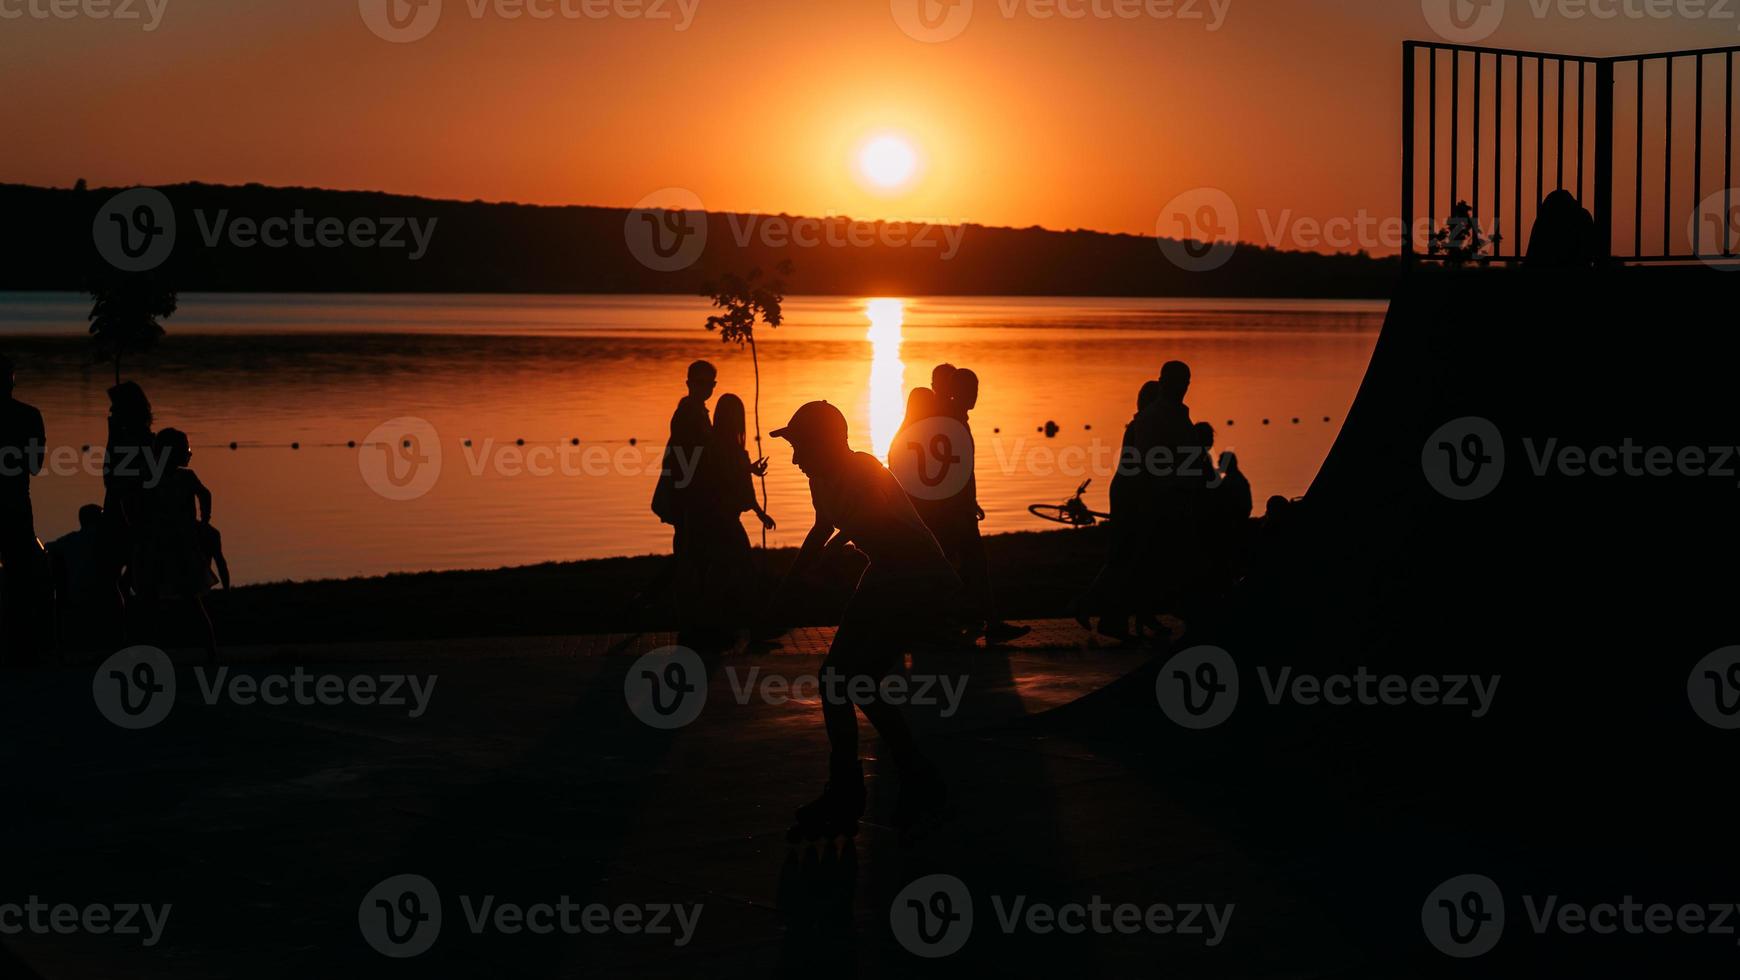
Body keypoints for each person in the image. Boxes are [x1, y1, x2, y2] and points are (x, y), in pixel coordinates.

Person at [767, 401, 960, 841]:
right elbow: (822, 528)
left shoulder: (862, 470)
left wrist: (831, 561)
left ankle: (856, 789)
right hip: (888, 574)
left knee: (842, 679)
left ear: (826, 443)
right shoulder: (821, 479)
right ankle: (910, 778)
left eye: (800, 447)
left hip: (919, 578)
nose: (795, 459)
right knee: (851, 682)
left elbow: (870, 524)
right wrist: (789, 585)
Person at [932, 369, 1029, 644]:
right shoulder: (951, 420)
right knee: (967, 566)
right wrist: (961, 502)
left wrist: (971, 500)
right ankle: (974, 622)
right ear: (957, 392)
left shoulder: (956, 418)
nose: (974, 396)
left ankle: (968, 619)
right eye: (969, 390)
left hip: (959, 506)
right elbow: (953, 468)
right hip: (953, 510)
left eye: (976, 389)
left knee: (965, 566)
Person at [679, 393, 775, 650]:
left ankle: (717, 627)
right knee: (740, 572)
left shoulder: (717, 445)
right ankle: (747, 629)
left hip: (719, 519)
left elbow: (735, 477)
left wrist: (758, 509)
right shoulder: (722, 447)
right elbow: (730, 479)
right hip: (723, 521)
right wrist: (756, 508)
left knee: (725, 574)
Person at [137, 428, 218, 666]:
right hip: (162, 546)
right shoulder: (161, 477)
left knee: (186, 601)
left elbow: (205, 494)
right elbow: (205, 494)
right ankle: (153, 652)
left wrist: (204, 520)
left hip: (177, 547)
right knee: (160, 601)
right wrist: (204, 520)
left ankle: (209, 652)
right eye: (186, 450)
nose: (189, 454)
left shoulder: (182, 477)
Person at [646, 360, 717, 614]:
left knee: (688, 552)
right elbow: (683, 456)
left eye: (709, 383)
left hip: (693, 493)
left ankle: (664, 599)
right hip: (688, 494)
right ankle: (663, 600)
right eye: (700, 383)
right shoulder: (688, 414)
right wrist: (685, 492)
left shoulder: (698, 412)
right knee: (688, 551)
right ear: (689, 384)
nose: (705, 387)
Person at [0, 354, 48, 665]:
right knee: (20, 577)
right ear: (12, 380)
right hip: (16, 502)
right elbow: (35, 465)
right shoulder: (29, 416)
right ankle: (22, 644)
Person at [99, 381, 156, 636]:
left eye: (114, 409)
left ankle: (130, 630)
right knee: (120, 574)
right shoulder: (139, 439)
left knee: (127, 572)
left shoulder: (139, 441)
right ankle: (126, 629)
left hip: (132, 511)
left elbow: (111, 477)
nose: (111, 414)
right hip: (123, 508)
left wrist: (112, 438)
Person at [47, 504, 105, 652]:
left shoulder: (71, 540)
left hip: (73, 595)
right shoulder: (103, 540)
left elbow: (49, 546)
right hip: (98, 597)